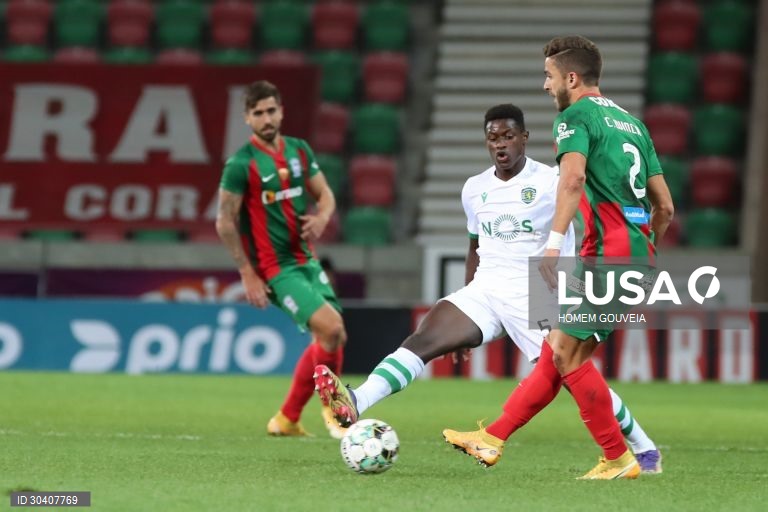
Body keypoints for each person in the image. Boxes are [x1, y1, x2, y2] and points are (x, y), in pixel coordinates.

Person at [313, 103, 661, 471]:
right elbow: (474, 247)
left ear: (524, 138)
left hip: (539, 289)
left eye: (509, 136)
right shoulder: (474, 189)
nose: (501, 144)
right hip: (486, 287)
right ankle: (357, 400)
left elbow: (588, 217)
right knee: (424, 338)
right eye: (493, 137)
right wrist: (467, 309)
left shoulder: (551, 180)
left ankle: (643, 446)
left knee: (571, 371)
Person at [443, 36, 674, 480]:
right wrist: (643, 252)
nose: (545, 86)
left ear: (570, 77)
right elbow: (664, 207)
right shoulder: (633, 124)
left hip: (604, 254)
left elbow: (571, 181)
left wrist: (552, 246)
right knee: (561, 356)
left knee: (565, 357)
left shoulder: (575, 117)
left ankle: (617, 458)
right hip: (636, 257)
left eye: (549, 76)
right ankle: (492, 437)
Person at [216, 80, 347, 439]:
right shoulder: (241, 165)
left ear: (281, 111)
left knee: (331, 335)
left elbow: (325, 194)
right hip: (274, 269)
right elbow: (224, 221)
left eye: (271, 110)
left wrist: (321, 217)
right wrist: (247, 272)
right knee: (331, 329)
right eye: (257, 113)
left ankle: (287, 419)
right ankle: (335, 409)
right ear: (247, 118)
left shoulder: (299, 151)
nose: (266, 118)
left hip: (305, 259)